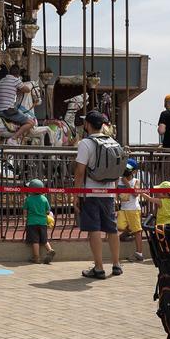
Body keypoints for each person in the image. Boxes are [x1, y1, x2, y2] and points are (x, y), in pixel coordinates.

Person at [76, 110, 122, 279]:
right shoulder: (112, 141)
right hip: (109, 192)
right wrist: (115, 192)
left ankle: (99, 267)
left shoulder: (85, 143)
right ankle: (116, 264)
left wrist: (77, 194)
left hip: (91, 192)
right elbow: (117, 170)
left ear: (87, 124)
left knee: (94, 229)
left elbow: (80, 171)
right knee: (112, 229)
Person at [0, 66, 36, 143]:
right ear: (18, 75)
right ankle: (13, 138)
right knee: (31, 122)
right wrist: (30, 84)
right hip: (6, 110)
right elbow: (27, 90)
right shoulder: (16, 80)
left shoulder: (2, 80)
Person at [116, 163, 145, 261]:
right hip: (123, 208)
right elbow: (115, 191)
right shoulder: (118, 180)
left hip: (133, 209)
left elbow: (136, 194)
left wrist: (126, 183)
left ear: (134, 172)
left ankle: (139, 253)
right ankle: (127, 232)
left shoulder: (136, 181)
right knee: (119, 226)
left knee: (137, 230)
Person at [24, 179, 54, 264]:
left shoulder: (28, 199)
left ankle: (36, 258)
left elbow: (25, 212)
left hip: (32, 223)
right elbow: (48, 211)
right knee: (44, 240)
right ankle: (50, 249)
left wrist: (25, 217)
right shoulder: (44, 199)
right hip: (43, 222)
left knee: (35, 241)